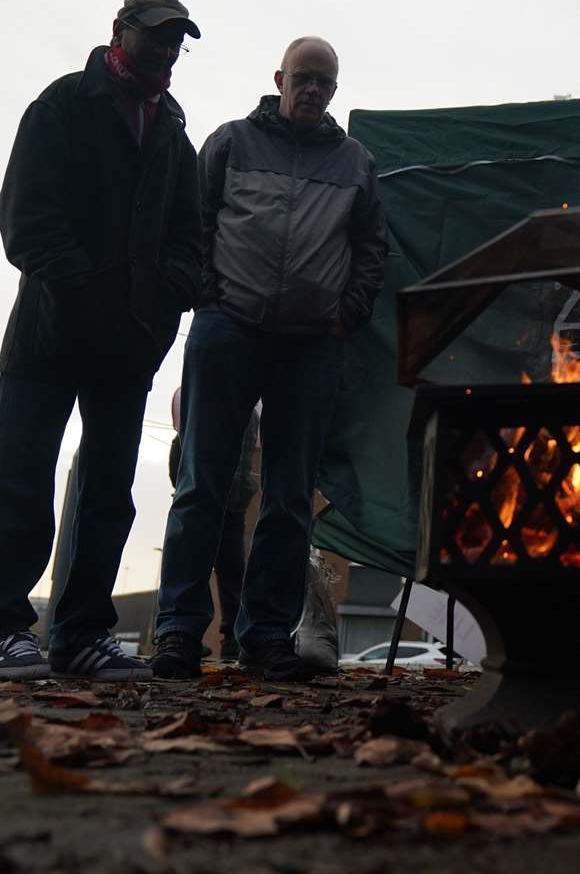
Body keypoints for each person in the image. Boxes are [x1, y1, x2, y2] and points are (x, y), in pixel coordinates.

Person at [0, 0, 202, 680]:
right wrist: (83, 289)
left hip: (128, 345)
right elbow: (25, 217)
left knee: (108, 491)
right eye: (154, 36)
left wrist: (161, 305)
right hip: (48, 335)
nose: (164, 50)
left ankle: (80, 634)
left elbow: (189, 239)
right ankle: (3, 629)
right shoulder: (63, 104)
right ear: (119, 33)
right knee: (22, 476)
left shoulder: (172, 132)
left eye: (175, 41)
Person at [151, 37, 387, 682]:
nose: (312, 90)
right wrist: (208, 299)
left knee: (288, 498)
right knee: (201, 483)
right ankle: (177, 632)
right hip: (229, 330)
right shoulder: (229, 143)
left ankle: (265, 637)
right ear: (280, 78)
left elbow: (371, 249)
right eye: (304, 78)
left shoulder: (355, 162)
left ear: (335, 91)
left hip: (312, 345)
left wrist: (348, 313)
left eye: (324, 83)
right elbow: (193, 223)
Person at [167, 388, 259, 660]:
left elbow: (180, 448)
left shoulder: (196, 399)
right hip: (229, 501)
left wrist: (182, 488)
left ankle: (186, 631)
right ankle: (227, 634)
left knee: (198, 563)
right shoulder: (251, 413)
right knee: (230, 571)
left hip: (215, 499)